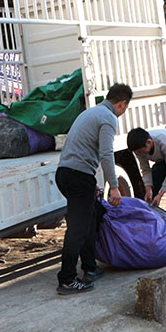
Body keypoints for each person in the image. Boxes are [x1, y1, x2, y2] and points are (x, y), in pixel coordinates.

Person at [54, 83, 132, 294]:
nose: (123, 112)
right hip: (78, 177)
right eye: (124, 108)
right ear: (122, 103)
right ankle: (67, 280)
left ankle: (90, 267)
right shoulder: (108, 118)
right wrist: (113, 186)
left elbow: (81, 149)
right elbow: (107, 154)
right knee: (78, 229)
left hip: (66, 173)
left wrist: (92, 183)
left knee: (89, 218)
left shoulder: (91, 113)